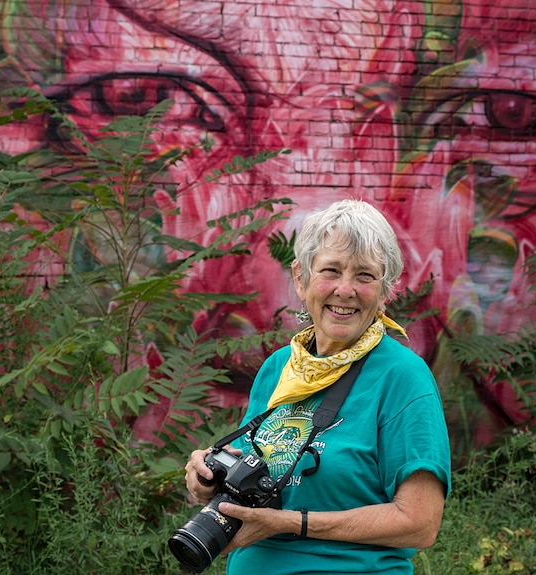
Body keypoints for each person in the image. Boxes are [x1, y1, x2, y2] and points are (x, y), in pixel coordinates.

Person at [184, 199, 452, 575]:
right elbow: (256, 477)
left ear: (385, 290)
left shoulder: (403, 376)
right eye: (331, 270)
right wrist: (208, 479)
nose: (345, 290)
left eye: (364, 275)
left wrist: (294, 523)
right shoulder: (279, 366)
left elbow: (421, 523)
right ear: (300, 278)